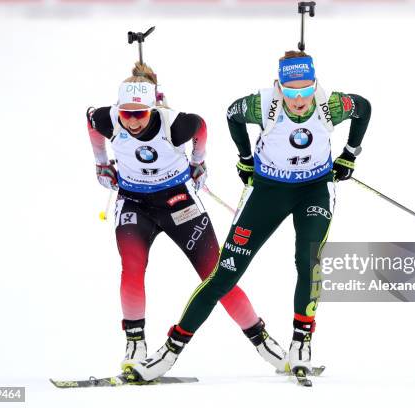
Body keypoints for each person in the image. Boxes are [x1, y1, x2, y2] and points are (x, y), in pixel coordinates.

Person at [132, 50, 372, 380]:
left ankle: (301, 343)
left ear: (314, 85)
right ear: (279, 87)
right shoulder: (262, 105)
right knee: (224, 275)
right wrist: (245, 158)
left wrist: (349, 155)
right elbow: (232, 114)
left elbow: (364, 108)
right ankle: (169, 352)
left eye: (305, 91)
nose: (299, 100)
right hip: (267, 192)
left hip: (314, 190)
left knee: (309, 260)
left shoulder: (331, 104)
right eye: (291, 91)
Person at [86, 62, 287, 373]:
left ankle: (262, 341)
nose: (133, 122)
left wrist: (198, 162)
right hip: (134, 202)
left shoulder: (174, 125)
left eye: (140, 114)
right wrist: (101, 164)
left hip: (177, 201)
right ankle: (135, 343)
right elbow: (91, 123)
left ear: (153, 108)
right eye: (126, 114)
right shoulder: (108, 118)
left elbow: (201, 126)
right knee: (133, 267)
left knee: (216, 274)